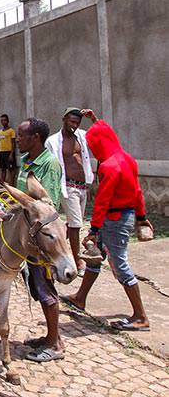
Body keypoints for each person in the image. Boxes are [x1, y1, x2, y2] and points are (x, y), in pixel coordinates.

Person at [62, 109, 152, 331]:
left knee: (119, 264)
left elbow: (103, 201)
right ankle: (80, 298)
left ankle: (141, 316)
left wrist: (93, 229)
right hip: (126, 214)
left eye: (93, 146)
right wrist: (141, 217)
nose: (92, 150)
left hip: (114, 218)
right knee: (95, 257)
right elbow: (138, 192)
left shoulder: (110, 166)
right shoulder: (127, 159)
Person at [15, 118, 65, 363]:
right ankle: (49, 336)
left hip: (41, 240)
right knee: (36, 286)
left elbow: (49, 207)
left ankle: (56, 344)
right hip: (26, 235)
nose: (17, 139)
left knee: (45, 287)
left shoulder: (50, 164)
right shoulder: (26, 161)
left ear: (35, 138)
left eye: (21, 135)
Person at [45, 108, 93, 275]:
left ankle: (55, 247)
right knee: (76, 224)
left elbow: (102, 134)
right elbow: (49, 166)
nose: (74, 125)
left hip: (83, 186)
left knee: (73, 224)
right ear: (64, 119)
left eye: (77, 123)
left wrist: (93, 118)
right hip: (68, 187)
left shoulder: (82, 136)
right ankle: (77, 260)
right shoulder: (53, 141)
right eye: (72, 121)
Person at [0, 114, 18, 185]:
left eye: (4, 120)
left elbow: (13, 143)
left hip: (9, 152)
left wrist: (11, 154)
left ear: (8, 121)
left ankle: (11, 184)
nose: (3, 122)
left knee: (11, 169)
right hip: (2, 152)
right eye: (2, 120)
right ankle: (2, 184)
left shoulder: (11, 131)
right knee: (3, 169)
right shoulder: (0, 132)